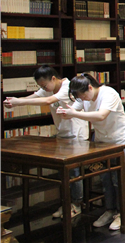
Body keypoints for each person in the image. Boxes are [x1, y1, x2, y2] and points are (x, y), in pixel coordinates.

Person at [3, 66, 88, 219]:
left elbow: (48, 100)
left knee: (73, 172)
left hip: (76, 133)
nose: (43, 88)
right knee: (63, 172)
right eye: (41, 86)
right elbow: (34, 97)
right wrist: (15, 102)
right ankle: (67, 203)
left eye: (44, 85)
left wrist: (18, 102)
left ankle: (77, 203)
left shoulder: (67, 87)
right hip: (62, 133)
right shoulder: (48, 88)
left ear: (53, 78)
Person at [61, 74, 125, 231]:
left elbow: (101, 115)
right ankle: (110, 210)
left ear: (90, 87)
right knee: (105, 179)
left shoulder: (108, 93)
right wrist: (66, 112)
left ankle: (122, 214)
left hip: (120, 142)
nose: (82, 99)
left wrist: (73, 114)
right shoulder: (84, 97)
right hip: (102, 143)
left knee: (119, 179)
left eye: (82, 95)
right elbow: (74, 110)